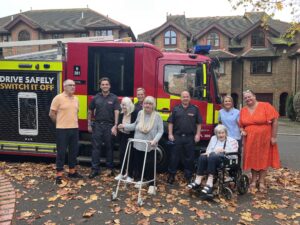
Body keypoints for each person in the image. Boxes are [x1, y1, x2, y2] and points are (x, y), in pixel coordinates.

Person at [118, 96, 163, 194]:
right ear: (143, 104)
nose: (147, 105)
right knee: (139, 163)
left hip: (149, 145)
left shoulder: (157, 116)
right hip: (138, 144)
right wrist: (124, 126)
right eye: (146, 103)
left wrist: (155, 140)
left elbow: (160, 131)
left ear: (153, 105)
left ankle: (152, 184)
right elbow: (134, 126)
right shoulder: (140, 113)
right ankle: (141, 180)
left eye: (150, 103)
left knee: (149, 164)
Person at [240, 90, 280, 193]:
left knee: (263, 158)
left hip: (264, 137)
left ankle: (261, 181)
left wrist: (274, 136)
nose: (248, 99)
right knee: (253, 158)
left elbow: (275, 120)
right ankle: (253, 180)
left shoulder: (265, 105)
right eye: (246, 98)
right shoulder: (243, 110)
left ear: (254, 96)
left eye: (250, 96)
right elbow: (241, 124)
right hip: (250, 139)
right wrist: (242, 130)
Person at [187, 125, 238, 196]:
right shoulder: (213, 138)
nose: (221, 135)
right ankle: (198, 180)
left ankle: (210, 183)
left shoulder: (232, 141)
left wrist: (224, 150)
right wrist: (208, 152)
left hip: (225, 160)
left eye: (222, 133)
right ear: (216, 134)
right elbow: (209, 149)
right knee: (202, 156)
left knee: (212, 156)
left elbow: (234, 154)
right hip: (212, 158)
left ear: (226, 133)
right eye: (219, 133)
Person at [49, 79, 83, 185]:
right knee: (61, 152)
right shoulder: (58, 98)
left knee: (73, 151)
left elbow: (76, 113)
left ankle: (72, 172)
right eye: (70, 85)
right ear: (64, 87)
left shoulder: (76, 99)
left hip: (74, 128)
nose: (73, 87)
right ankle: (59, 174)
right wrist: (58, 124)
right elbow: (51, 114)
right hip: (62, 129)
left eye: (74, 85)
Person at [167, 91, 202, 184]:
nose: (185, 98)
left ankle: (188, 176)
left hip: (190, 137)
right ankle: (171, 175)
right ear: (180, 98)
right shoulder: (175, 109)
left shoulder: (195, 109)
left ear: (190, 98)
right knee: (174, 157)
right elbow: (171, 122)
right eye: (183, 97)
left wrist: (198, 134)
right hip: (177, 136)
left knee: (189, 158)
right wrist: (170, 134)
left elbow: (199, 123)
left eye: (187, 97)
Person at [88, 77, 120, 179]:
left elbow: (117, 111)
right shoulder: (95, 98)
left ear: (109, 86)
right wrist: (89, 124)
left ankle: (110, 169)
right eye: (103, 84)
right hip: (97, 125)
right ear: (100, 86)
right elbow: (90, 111)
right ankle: (95, 169)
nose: (105, 86)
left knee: (109, 148)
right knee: (96, 148)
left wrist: (115, 125)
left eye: (106, 84)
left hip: (109, 126)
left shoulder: (114, 98)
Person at [115, 97, 138, 181]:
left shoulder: (135, 113)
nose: (123, 107)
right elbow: (119, 124)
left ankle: (130, 175)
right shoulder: (122, 113)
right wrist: (118, 127)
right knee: (122, 155)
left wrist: (124, 127)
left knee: (130, 156)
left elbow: (135, 126)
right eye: (122, 105)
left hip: (131, 137)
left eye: (125, 105)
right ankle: (122, 173)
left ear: (129, 105)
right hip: (123, 137)